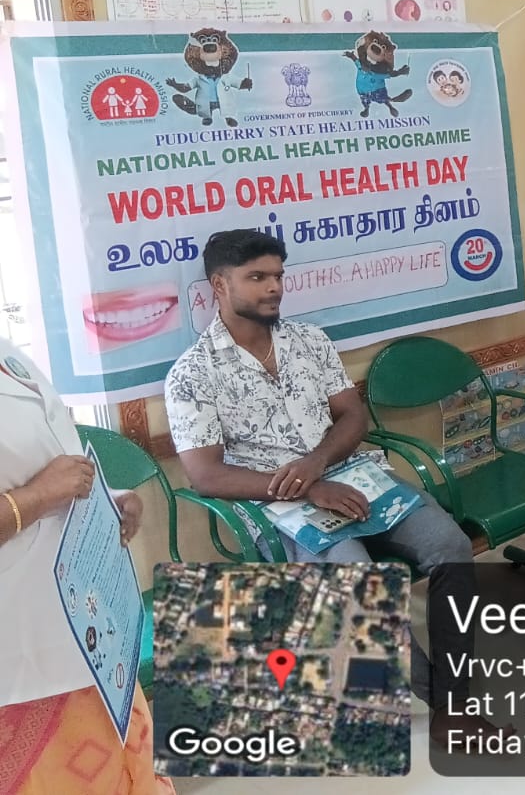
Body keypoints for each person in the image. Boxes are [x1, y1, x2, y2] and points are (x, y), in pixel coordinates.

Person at [164, 229, 479, 739]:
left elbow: (352, 416)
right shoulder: (192, 375)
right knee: (357, 581)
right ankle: (446, 705)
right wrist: (306, 487)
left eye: (278, 276)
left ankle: (455, 693)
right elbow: (206, 475)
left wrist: (316, 464)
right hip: (279, 506)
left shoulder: (309, 340)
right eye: (257, 277)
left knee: (451, 545)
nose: (274, 287)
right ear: (219, 286)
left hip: (353, 477)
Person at [0, 335, 173, 794]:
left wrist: (103, 499)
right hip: (18, 666)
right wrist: (36, 497)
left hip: (90, 637)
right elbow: (39, 486)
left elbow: (48, 461)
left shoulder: (9, 352)